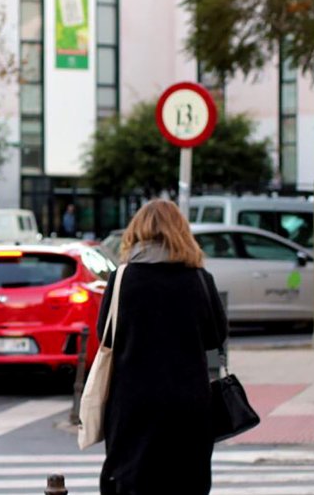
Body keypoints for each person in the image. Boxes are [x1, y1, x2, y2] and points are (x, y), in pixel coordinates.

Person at [95, 200, 228, 495]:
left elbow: (105, 335)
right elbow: (216, 336)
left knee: (131, 483)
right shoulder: (199, 280)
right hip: (188, 405)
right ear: (182, 232)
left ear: (136, 233)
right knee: (186, 483)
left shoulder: (122, 280)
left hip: (132, 404)